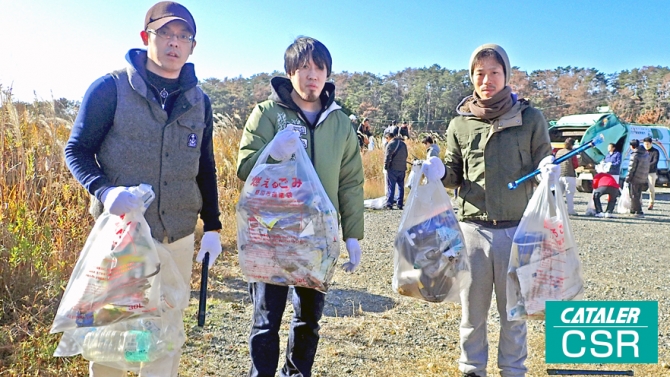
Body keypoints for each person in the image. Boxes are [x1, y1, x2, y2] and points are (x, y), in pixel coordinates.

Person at [63, 2, 222, 376]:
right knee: (111, 335)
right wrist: (104, 191)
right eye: (165, 33)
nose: (174, 43)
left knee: (164, 335)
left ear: (192, 47)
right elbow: (77, 150)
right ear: (145, 38)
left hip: (177, 236)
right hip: (123, 238)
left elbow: (206, 166)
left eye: (184, 36)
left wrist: (213, 227)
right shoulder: (110, 88)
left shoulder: (199, 100)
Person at [236, 36, 364, 377]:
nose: (313, 75)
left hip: (317, 237)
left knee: (309, 318)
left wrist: (353, 234)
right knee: (267, 319)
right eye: (304, 67)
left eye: (319, 68)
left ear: (327, 74)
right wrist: (272, 153)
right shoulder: (266, 114)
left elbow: (351, 181)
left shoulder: (339, 122)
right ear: (290, 72)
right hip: (271, 235)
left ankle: (296, 374)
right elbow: (245, 168)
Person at [422, 43, 553, 377]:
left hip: (517, 231)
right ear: (472, 77)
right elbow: (453, 174)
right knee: (472, 312)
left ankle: (513, 370)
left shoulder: (531, 118)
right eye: (480, 73)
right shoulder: (460, 124)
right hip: (472, 232)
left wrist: (549, 168)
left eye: (494, 72)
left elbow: (543, 160)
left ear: (506, 75)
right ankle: (471, 369)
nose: (487, 79)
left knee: (514, 314)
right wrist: (439, 171)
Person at [384, 126, 408, 210]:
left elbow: (387, 157)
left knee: (391, 186)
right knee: (401, 187)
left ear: (388, 137)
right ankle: (400, 203)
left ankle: (389, 204)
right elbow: (406, 155)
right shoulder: (403, 144)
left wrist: (386, 167)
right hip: (402, 168)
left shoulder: (390, 144)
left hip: (393, 168)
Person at [625, 139, 650, 218]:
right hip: (643, 177)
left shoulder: (635, 155)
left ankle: (639, 211)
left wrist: (628, 178)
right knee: (638, 194)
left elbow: (631, 168)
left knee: (634, 195)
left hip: (635, 178)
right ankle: (633, 209)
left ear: (632, 146)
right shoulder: (645, 153)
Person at [554, 138, 579, 215]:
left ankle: (556, 211)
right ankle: (570, 210)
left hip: (559, 175)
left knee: (558, 194)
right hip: (569, 175)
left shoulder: (559, 152)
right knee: (569, 193)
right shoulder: (572, 153)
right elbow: (575, 165)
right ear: (572, 145)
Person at [643, 137, 659, 210]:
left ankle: (651, 203)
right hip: (642, 171)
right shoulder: (642, 151)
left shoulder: (655, 151)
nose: (646, 145)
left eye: (647, 144)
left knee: (651, 188)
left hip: (651, 172)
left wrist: (646, 165)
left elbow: (655, 161)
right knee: (639, 187)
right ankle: (639, 202)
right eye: (645, 144)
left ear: (651, 143)